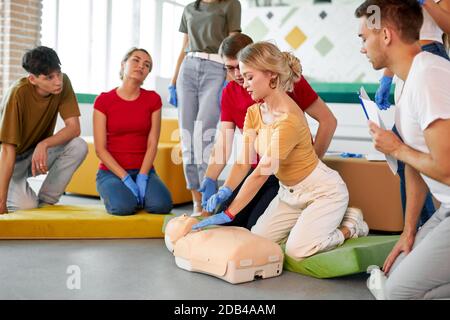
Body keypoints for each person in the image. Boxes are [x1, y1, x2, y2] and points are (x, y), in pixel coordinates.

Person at [192, 42, 369, 261]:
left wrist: (229, 213)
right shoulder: (254, 112)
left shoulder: (289, 120)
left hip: (322, 191)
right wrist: (225, 190)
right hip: (288, 193)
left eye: (249, 77)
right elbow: (243, 162)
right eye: (242, 76)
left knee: (297, 251)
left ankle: (350, 226)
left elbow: (260, 174)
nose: (244, 84)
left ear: (272, 77)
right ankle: (309, 224)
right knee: (258, 239)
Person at [356, 0, 450, 299]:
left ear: (385, 35)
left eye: (364, 38)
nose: (362, 48)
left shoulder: (429, 76)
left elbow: (447, 170)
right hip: (446, 207)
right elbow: (416, 167)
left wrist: (396, 148)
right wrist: (408, 232)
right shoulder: (407, 80)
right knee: (393, 274)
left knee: (398, 294)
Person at [198, 33, 337, 229]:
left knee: (253, 227)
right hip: (255, 170)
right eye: (230, 68)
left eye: (241, 67)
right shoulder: (232, 94)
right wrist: (211, 179)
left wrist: (310, 164)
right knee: (230, 223)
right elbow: (225, 144)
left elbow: (328, 121)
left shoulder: (288, 81)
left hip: (281, 173)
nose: (238, 75)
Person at [374, 0, 450, 227]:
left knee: (412, 149)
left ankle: (423, 226)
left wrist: (426, 3)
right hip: (403, 60)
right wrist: (387, 76)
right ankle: (418, 228)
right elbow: (392, 38)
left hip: (428, 52)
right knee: (407, 152)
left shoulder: (431, 71)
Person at [168, 0, 241, 215]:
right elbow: (184, 47)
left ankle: (209, 200)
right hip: (188, 69)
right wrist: (173, 82)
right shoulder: (190, 8)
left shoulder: (230, 5)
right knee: (187, 137)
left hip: (217, 68)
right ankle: (197, 203)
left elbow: (233, 43)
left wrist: (230, 78)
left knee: (204, 135)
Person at [0, 46, 88, 214]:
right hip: (7, 160)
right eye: (49, 77)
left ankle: (46, 203)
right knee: (26, 206)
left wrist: (44, 144)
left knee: (78, 145)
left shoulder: (63, 84)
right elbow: (6, 149)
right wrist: (1, 202)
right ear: (33, 79)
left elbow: (74, 128)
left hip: (34, 154)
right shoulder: (17, 94)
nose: (58, 81)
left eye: (58, 73)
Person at [93, 48, 172, 216]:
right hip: (111, 173)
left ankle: (136, 192)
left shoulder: (153, 99)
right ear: (123, 64)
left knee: (162, 206)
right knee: (123, 208)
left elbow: (152, 143)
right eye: (135, 60)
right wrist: (125, 178)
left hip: (143, 171)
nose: (140, 66)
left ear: (147, 73)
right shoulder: (104, 100)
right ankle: (114, 192)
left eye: (146, 65)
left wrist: (143, 176)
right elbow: (100, 149)